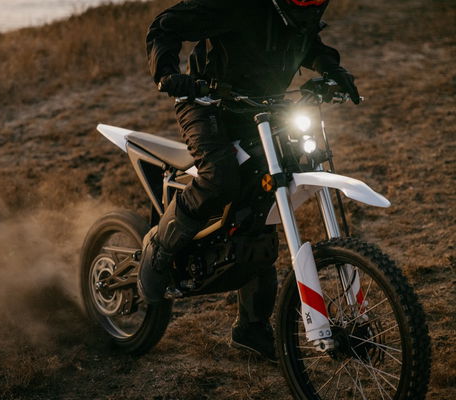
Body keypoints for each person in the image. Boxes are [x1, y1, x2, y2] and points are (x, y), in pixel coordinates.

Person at [138, 0, 359, 360]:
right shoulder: (237, 4)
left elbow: (305, 46)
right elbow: (165, 26)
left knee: (264, 200)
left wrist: (332, 69)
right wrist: (168, 74)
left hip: (263, 108)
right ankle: (159, 250)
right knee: (220, 176)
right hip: (206, 102)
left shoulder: (302, 12)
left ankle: (251, 327)